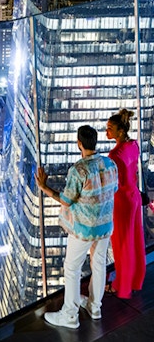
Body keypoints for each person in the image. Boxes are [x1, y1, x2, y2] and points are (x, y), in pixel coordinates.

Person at [35, 125, 118, 329]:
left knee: (71, 268)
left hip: (84, 229)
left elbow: (66, 200)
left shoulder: (79, 170)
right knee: (98, 264)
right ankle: (95, 307)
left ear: (79, 143)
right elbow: (113, 189)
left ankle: (70, 315)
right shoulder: (110, 164)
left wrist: (44, 187)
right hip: (105, 225)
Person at [106, 108, 146, 298]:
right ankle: (136, 279)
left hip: (122, 200)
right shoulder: (134, 145)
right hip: (135, 196)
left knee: (122, 244)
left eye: (110, 128)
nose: (107, 132)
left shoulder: (114, 156)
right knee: (135, 240)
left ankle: (121, 285)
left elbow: (116, 184)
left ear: (119, 131)